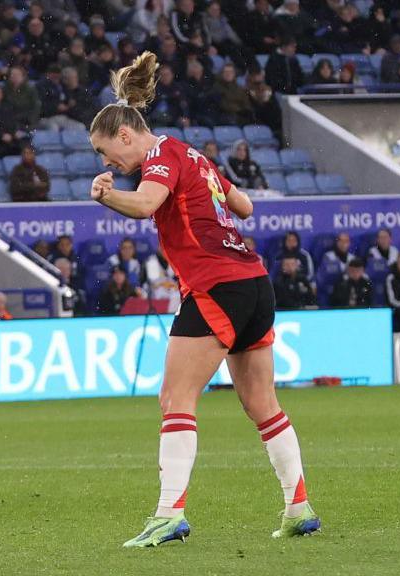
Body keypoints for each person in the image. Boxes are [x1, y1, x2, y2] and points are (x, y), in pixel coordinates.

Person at [88, 51, 319, 546]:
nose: (108, 163)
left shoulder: (157, 158)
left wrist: (106, 195)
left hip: (216, 284)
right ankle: (298, 506)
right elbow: (246, 205)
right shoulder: (189, 153)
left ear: (125, 135)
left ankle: (168, 514)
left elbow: (147, 203)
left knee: (175, 398)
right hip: (254, 281)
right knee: (263, 404)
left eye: (108, 154)